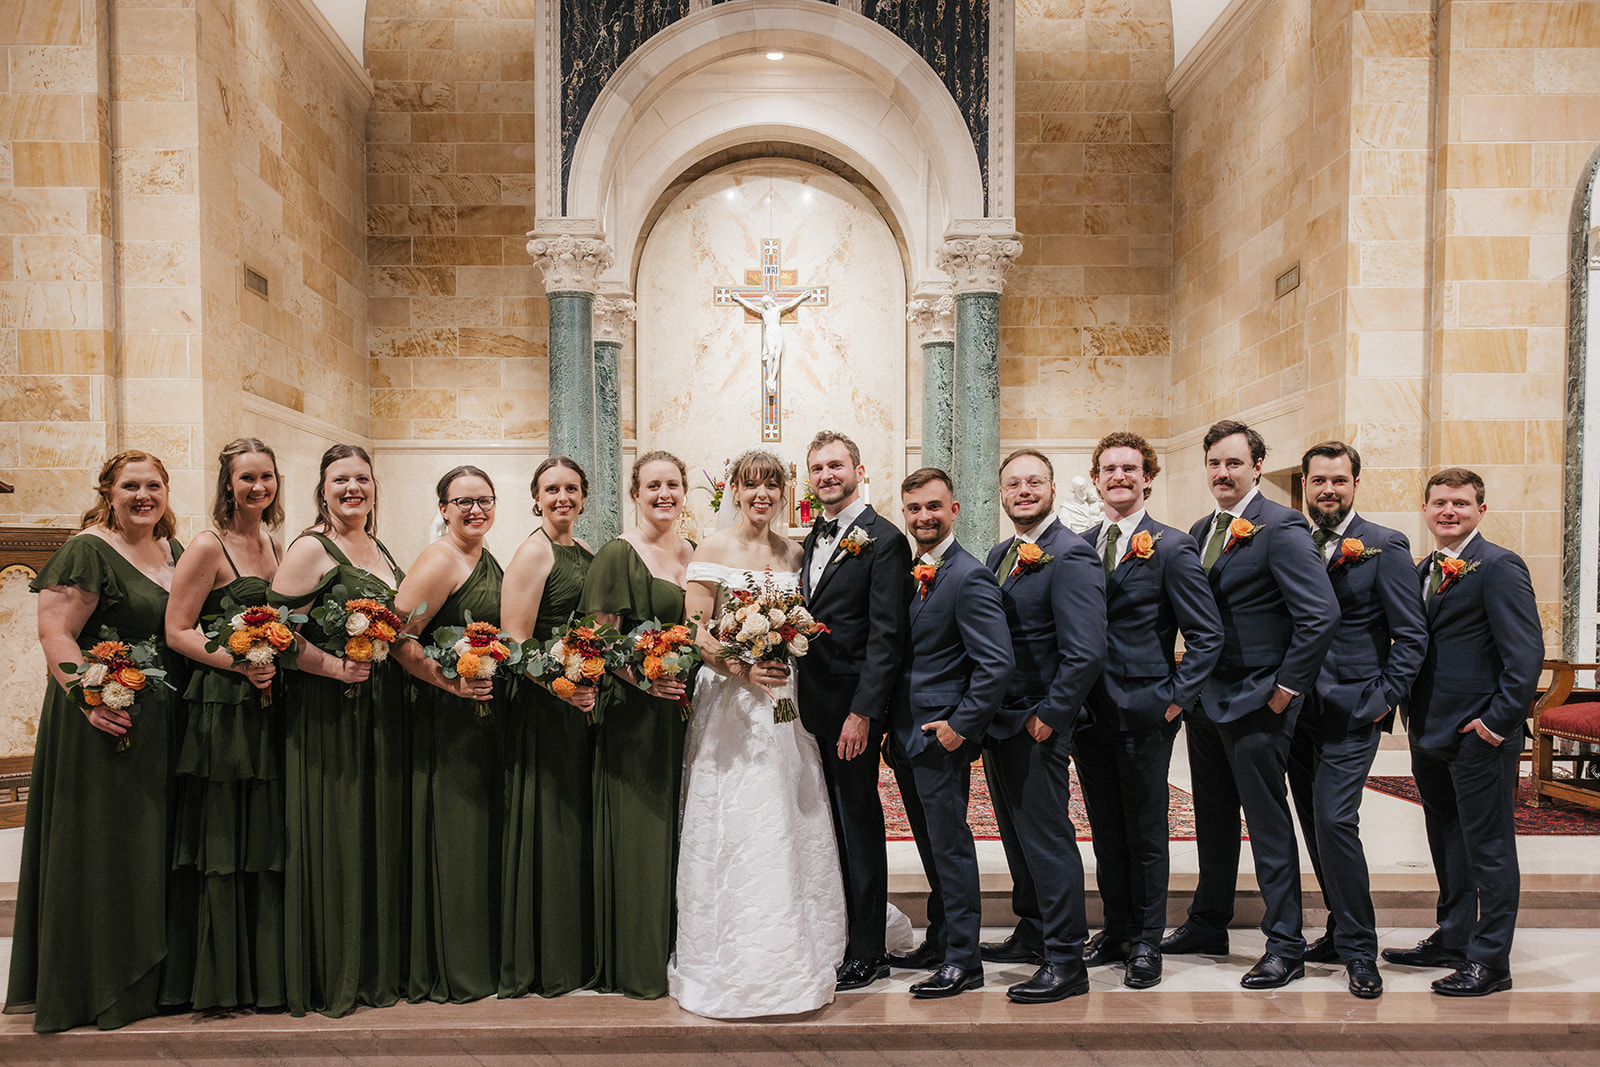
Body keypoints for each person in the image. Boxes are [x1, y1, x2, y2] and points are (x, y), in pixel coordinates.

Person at [7, 451, 186, 1032]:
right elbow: (55, 631)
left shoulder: (173, 551)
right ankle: (101, 983)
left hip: (164, 716)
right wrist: (91, 699)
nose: (143, 496)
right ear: (107, 491)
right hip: (105, 715)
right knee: (110, 846)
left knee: (150, 843)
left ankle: (155, 976)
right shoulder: (88, 549)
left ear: (166, 491)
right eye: (129, 486)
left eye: (153, 485)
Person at [670, 449, 848, 1017]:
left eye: (772, 485)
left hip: (786, 700)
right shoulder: (714, 549)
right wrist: (743, 669)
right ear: (734, 492)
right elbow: (695, 632)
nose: (761, 495)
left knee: (790, 809)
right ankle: (732, 947)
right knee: (740, 815)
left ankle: (798, 936)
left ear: (783, 492)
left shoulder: (794, 550)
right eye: (751, 486)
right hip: (733, 703)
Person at [1161, 419, 1337, 990]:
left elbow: (1320, 615)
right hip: (1209, 700)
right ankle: (1209, 921)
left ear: (1257, 467)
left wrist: (1287, 687)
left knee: (1267, 823)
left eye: (1234, 463)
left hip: (1260, 698)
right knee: (1212, 820)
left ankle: (1285, 941)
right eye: (1215, 463)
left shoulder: (1282, 527)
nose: (1223, 473)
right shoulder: (1201, 528)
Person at [1382, 468, 1542, 997]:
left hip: (1479, 736)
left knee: (1489, 847)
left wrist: (1496, 725)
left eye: (1461, 503)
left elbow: (1524, 658)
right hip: (1429, 729)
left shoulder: (1499, 566)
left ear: (1481, 510)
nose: (1449, 511)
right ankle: (1454, 937)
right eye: (1439, 503)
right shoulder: (1423, 567)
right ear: (1425, 510)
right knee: (1446, 838)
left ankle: (1491, 959)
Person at [1077, 432, 1221, 991]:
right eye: (1109, 468)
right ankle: (1114, 929)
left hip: (1145, 712)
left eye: (1129, 469)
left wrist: (1176, 699)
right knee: (1105, 830)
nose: (1119, 477)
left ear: (1147, 478)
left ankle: (1145, 940)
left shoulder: (1172, 545)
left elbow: (1206, 635)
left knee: (1145, 832)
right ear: (1095, 479)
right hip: (1089, 715)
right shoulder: (1082, 543)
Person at [270, 444, 408, 1016]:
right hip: (329, 712)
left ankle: (379, 966)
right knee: (338, 833)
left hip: (383, 709)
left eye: (362, 479)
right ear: (321, 488)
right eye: (341, 480)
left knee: (375, 832)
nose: (354, 488)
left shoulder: (378, 545)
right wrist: (331, 666)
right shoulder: (309, 547)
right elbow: (271, 632)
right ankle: (334, 971)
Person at [1288, 441, 1427, 999]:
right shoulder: (1290, 542)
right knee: (1314, 824)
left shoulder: (1383, 546)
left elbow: (1411, 635)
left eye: (1339, 481)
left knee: (1334, 819)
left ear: (1354, 484)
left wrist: (1381, 699)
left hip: (1353, 710)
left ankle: (1360, 950)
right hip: (1296, 713)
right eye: (1319, 481)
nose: (1328, 490)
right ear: (1304, 486)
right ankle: (1338, 925)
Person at [164, 437, 289, 1012]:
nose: (258, 487)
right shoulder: (208, 546)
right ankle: (218, 980)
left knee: (259, 835)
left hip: (267, 701)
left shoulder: (273, 541)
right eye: (247, 479)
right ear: (227, 485)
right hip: (220, 704)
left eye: (266, 477)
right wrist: (242, 662)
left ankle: (261, 973)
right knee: (223, 838)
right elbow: (178, 630)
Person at [978, 449, 1105, 1003]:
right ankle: (1032, 930)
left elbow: (1085, 652)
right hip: (999, 720)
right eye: (1013, 484)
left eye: (1034, 482)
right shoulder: (1001, 552)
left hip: (1036, 721)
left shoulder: (1071, 556)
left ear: (1052, 488)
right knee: (1015, 834)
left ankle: (1065, 958)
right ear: (1001, 493)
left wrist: (1049, 718)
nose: (1023, 491)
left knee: (1048, 839)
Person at [797, 431, 912, 992]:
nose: (826, 475)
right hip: (809, 707)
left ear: (858, 470)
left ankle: (867, 949)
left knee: (859, 822)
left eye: (836, 465)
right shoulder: (813, 537)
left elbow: (887, 636)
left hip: (851, 714)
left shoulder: (885, 539)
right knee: (828, 825)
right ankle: (837, 930)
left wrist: (864, 713)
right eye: (817, 468)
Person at [892, 467, 1013, 998]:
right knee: (929, 846)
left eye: (934, 508)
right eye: (915, 509)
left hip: (940, 737)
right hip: (905, 737)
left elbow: (996, 664)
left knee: (952, 848)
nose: (924, 517)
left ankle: (965, 959)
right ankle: (941, 939)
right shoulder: (911, 572)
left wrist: (961, 726)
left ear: (954, 510)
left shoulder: (968, 575)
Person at [578, 451, 695, 999]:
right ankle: (638, 960)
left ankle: (680, 948)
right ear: (634, 492)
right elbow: (598, 640)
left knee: (682, 831)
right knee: (643, 833)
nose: (663, 494)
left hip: (684, 712)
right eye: (653, 485)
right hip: (636, 714)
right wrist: (646, 680)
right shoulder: (617, 555)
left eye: (672, 484)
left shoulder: (691, 552)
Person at [393, 465, 505, 1003]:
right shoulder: (440, 558)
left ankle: (481, 954)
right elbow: (397, 638)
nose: (475, 510)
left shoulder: (483, 555)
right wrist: (450, 683)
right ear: (443, 508)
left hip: (483, 713)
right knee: (456, 834)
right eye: (462, 502)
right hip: (448, 715)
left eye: (483, 500)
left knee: (480, 833)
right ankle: (453, 963)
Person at [500, 457, 598, 997]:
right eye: (551, 489)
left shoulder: (585, 552)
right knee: (552, 823)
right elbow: (514, 640)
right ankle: (548, 955)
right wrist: (560, 685)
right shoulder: (534, 551)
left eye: (571, 489)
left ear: (584, 497)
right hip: (545, 704)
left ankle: (580, 945)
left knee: (578, 822)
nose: (562, 497)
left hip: (583, 700)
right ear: (536, 497)